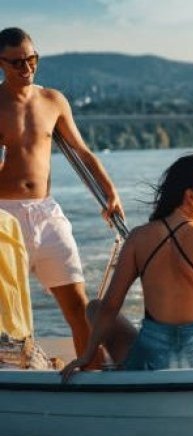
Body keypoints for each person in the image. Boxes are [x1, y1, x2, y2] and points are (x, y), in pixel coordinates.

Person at [60, 154, 193, 381]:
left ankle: (115, 368)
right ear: (190, 196)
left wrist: (87, 355)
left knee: (94, 307)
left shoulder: (138, 238)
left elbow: (110, 307)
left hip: (151, 361)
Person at [0, 27, 124, 366]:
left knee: (78, 305)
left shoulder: (53, 100)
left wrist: (110, 193)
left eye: (31, 59)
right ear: (1, 63)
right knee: (5, 312)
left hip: (46, 213)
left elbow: (82, 152)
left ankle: (93, 375)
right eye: (16, 63)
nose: (26, 68)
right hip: (4, 218)